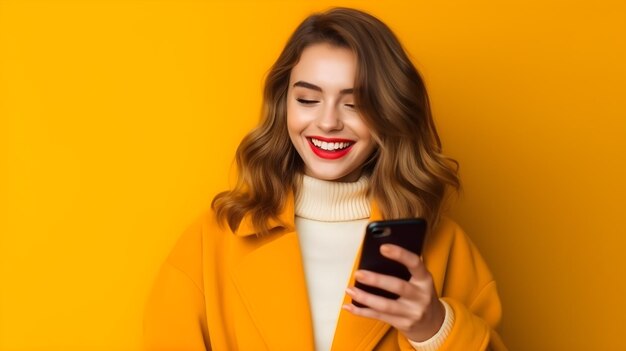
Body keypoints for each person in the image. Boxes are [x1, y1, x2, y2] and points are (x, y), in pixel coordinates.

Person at [144, 7, 506, 351]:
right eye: (307, 99)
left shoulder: (445, 246)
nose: (329, 122)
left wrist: (434, 327)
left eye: (354, 103)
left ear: (389, 112)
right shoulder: (214, 241)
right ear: (282, 104)